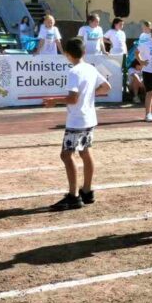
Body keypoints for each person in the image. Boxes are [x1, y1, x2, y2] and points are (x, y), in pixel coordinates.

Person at [49, 37, 111, 211]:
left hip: (77, 120)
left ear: (67, 55)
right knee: (85, 151)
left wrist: (54, 100)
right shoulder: (90, 68)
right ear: (84, 52)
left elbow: (73, 98)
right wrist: (90, 95)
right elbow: (106, 87)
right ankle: (87, 191)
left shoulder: (74, 72)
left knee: (67, 155)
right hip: (89, 118)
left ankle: (73, 196)